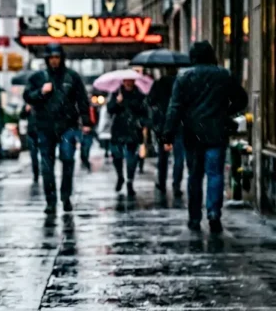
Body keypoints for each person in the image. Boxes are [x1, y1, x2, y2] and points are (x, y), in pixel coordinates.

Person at [163, 41, 247, 234]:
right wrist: (224, 111)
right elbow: (241, 99)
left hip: (193, 134)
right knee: (215, 174)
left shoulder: (184, 77)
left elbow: (174, 108)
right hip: (216, 133)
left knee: (194, 176)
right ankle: (213, 213)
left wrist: (168, 133)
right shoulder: (223, 75)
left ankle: (194, 218)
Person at [23, 43, 92, 214]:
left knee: (68, 159)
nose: (54, 61)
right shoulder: (38, 77)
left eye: (57, 57)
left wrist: (86, 122)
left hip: (67, 126)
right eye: (51, 58)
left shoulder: (72, 77)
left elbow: (82, 100)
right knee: (47, 166)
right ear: (47, 59)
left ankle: (66, 196)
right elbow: (28, 96)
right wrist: (41, 92)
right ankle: (51, 200)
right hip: (44, 127)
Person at [106, 78, 149, 197]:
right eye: (126, 81)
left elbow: (145, 112)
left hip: (133, 130)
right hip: (118, 130)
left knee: (132, 158)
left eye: (130, 81)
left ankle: (130, 181)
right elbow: (110, 109)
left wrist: (141, 123)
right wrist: (117, 102)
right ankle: (120, 176)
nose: (128, 83)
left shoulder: (139, 95)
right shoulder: (116, 93)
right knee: (117, 155)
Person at [148, 67, 184, 196]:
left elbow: (150, 101)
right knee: (179, 157)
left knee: (163, 156)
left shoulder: (159, 84)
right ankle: (176, 184)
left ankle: (162, 183)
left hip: (163, 125)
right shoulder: (182, 83)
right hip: (179, 124)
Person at [20, 103, 40, 183]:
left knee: (45, 155)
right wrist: (26, 110)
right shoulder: (29, 102)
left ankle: (44, 173)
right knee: (33, 155)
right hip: (31, 132)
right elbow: (22, 116)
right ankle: (36, 174)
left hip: (42, 132)